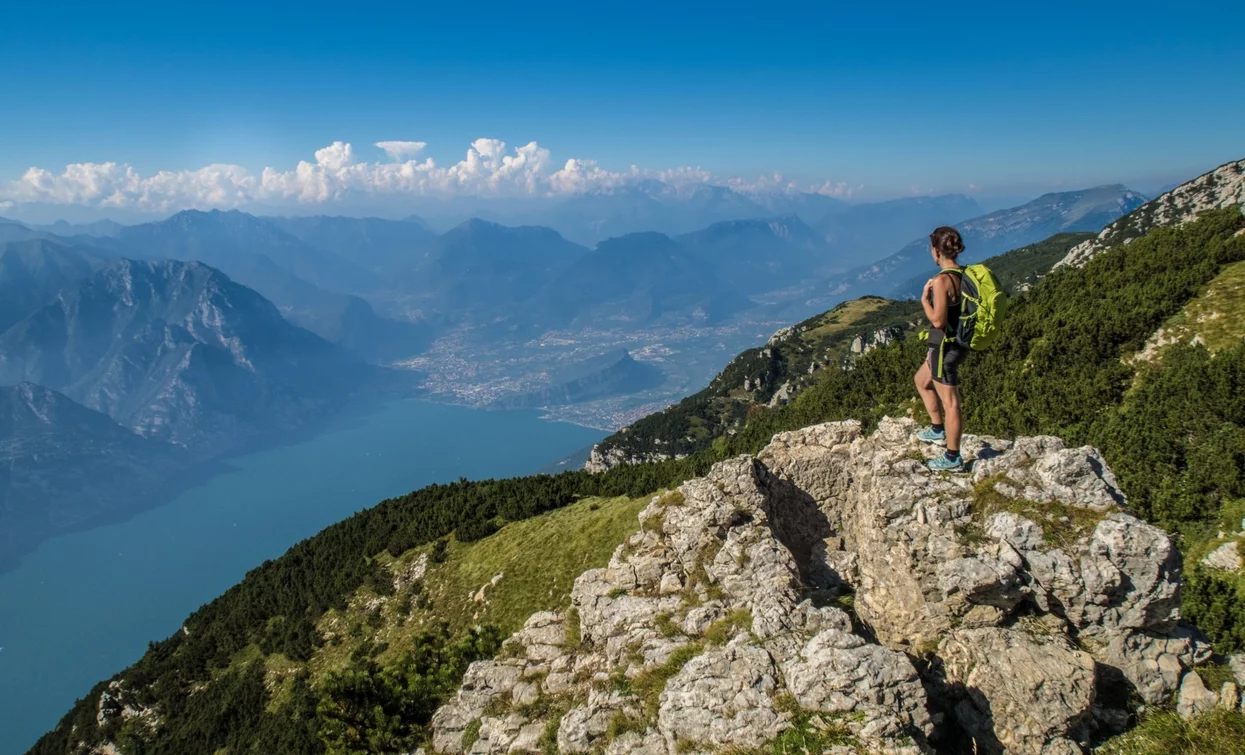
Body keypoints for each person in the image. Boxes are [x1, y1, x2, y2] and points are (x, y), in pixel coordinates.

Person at [915, 226, 968, 471]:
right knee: (921, 380)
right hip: (952, 344)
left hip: (945, 348)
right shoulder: (964, 274)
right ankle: (937, 429)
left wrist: (925, 300)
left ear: (936, 250)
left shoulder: (941, 280)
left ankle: (952, 457)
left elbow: (937, 320)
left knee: (951, 403)